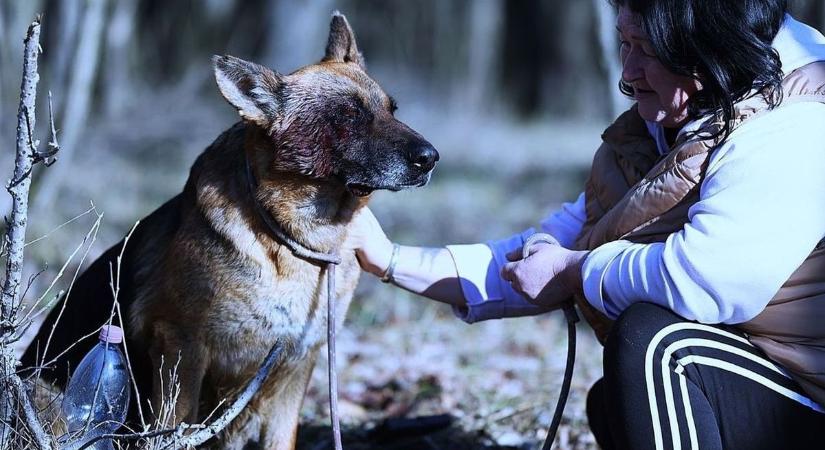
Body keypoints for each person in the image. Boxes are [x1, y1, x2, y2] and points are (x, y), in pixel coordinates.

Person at [349, 0, 825, 449]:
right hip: (778, 386)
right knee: (616, 402)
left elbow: (708, 280)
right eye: (625, 43)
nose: (628, 73)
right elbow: (541, 258)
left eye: (648, 50)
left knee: (660, 350)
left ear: (706, 49)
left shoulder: (793, 125)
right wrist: (388, 258)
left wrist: (576, 270)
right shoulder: (676, 125)